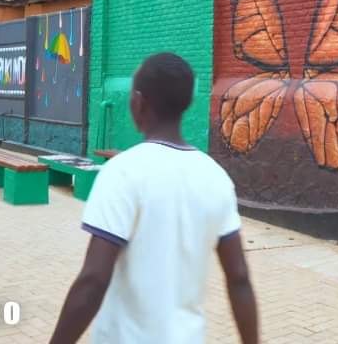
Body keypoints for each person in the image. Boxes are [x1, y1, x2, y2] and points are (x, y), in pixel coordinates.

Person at [50, 53, 258, 344]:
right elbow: (239, 277)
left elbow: (93, 281)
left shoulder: (122, 172)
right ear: (185, 105)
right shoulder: (216, 178)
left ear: (138, 102)